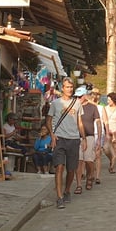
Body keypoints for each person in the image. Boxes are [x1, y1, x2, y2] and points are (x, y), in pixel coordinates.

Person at [47, 78, 86, 210]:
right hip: (59, 139)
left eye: (71, 87)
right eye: (67, 87)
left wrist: (84, 138)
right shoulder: (55, 103)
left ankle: (67, 190)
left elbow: (80, 122)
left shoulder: (77, 103)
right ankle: (59, 197)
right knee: (59, 167)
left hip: (73, 139)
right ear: (62, 88)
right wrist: (52, 134)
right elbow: (49, 120)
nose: (69, 89)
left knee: (71, 169)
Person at [78, 87, 102, 190]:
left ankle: (90, 177)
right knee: (79, 161)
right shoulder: (75, 106)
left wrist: (99, 139)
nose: (78, 98)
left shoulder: (92, 107)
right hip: (76, 137)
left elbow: (98, 123)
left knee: (88, 160)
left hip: (89, 136)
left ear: (84, 96)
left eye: (79, 96)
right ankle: (79, 184)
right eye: (76, 96)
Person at [102, 91, 116, 173]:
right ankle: (111, 159)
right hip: (107, 130)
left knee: (115, 148)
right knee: (106, 148)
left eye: (109, 100)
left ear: (114, 100)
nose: (108, 101)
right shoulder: (105, 108)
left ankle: (112, 166)